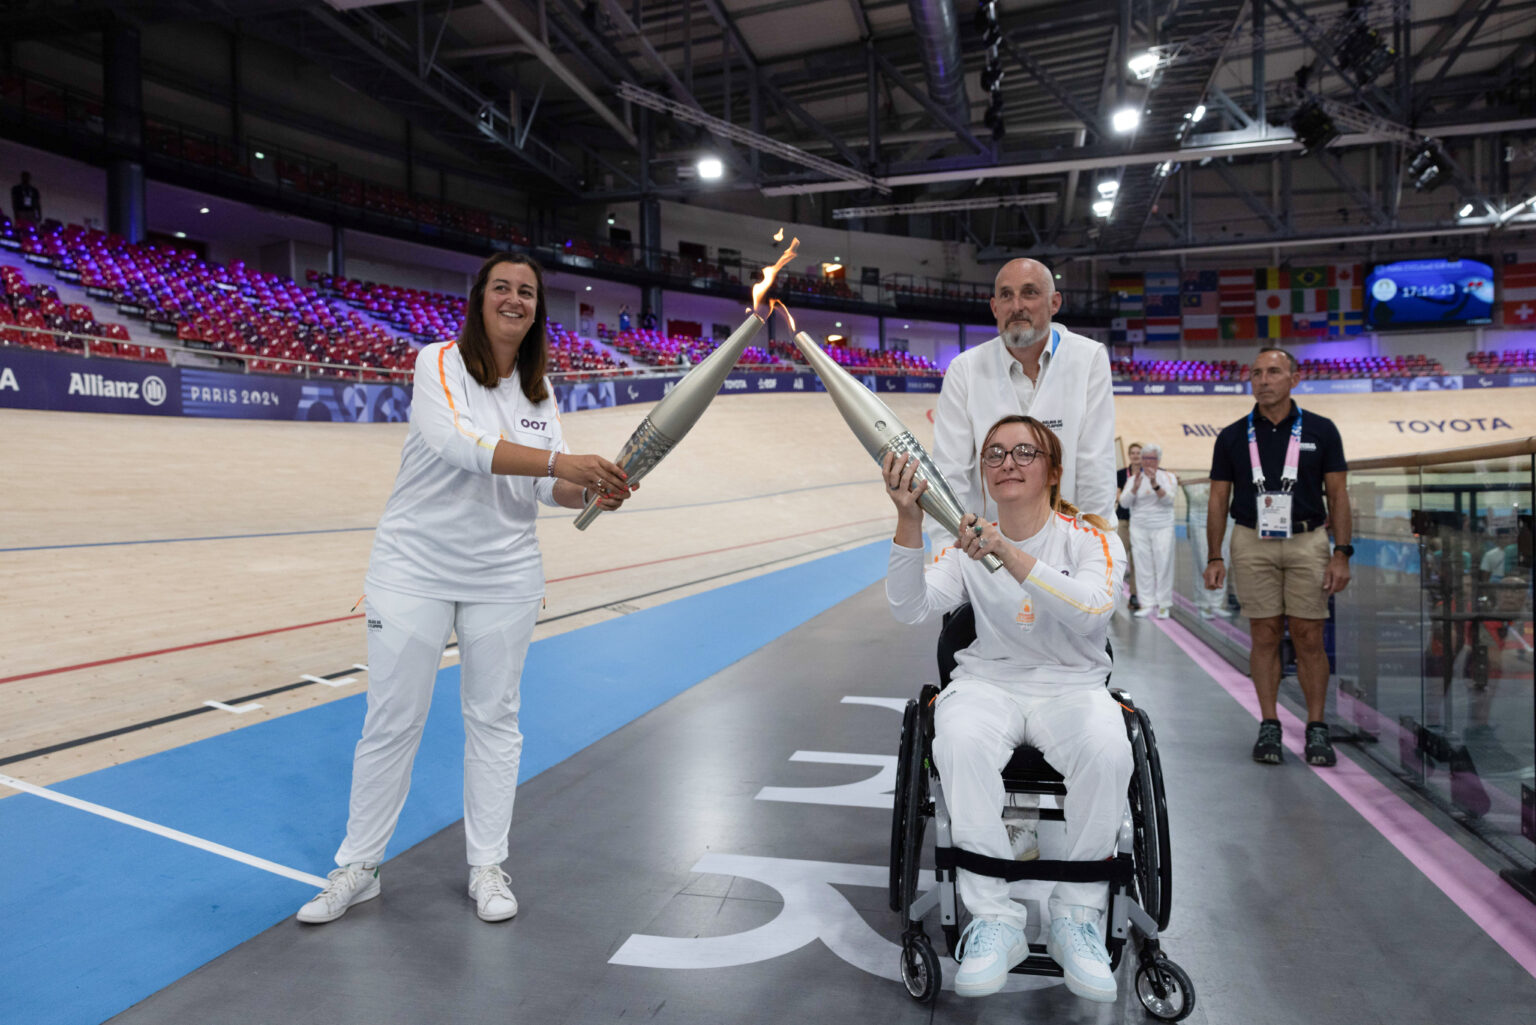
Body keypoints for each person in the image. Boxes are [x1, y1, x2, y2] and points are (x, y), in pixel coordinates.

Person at [297, 253, 636, 925]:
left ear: (538, 309)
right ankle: (357, 866)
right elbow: (460, 444)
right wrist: (560, 461)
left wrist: (590, 489)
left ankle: (486, 865)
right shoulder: (438, 362)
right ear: (480, 299)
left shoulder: (540, 395)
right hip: (412, 568)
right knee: (393, 719)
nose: (514, 299)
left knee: (494, 719)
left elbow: (549, 487)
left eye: (527, 292)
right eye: (502, 288)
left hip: (505, 575)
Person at [885, 415, 1130, 1003]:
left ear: (1052, 470)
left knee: (1107, 747)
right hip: (988, 684)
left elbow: (1093, 611)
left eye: (1024, 451)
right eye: (994, 454)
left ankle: (1076, 919)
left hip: (1073, 688)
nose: (1007, 462)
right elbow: (909, 607)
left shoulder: (1091, 537)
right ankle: (996, 919)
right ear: (984, 474)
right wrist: (909, 519)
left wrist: (1007, 553)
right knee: (958, 740)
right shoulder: (966, 544)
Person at [1203, 346, 1351, 767]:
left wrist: (1341, 552)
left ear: (1293, 378)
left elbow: (1338, 495)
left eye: (1273, 372)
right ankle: (1269, 722)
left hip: (1307, 540)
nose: (1263, 380)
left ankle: (1317, 726)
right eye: (1256, 373)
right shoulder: (1232, 435)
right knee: (1264, 632)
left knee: (1308, 634)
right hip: (1251, 540)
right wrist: (1215, 555)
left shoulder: (1321, 430)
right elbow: (1217, 500)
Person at [933, 257, 1117, 529]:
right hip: (988, 551)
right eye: (1007, 295)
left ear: (1054, 303)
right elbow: (950, 474)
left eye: (1029, 293)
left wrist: (1095, 547)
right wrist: (950, 554)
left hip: (1068, 544)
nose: (1017, 306)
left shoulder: (1088, 358)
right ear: (995, 307)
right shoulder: (964, 369)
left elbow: (1096, 466)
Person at [1118, 442, 1177, 618]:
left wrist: (1155, 484)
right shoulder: (1132, 479)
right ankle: (1147, 603)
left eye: (1151, 458)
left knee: (1163, 563)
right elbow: (1124, 503)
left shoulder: (1168, 477)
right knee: (1143, 565)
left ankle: (1164, 604)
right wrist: (1135, 488)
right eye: (1145, 458)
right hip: (1139, 527)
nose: (1148, 462)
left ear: (1158, 460)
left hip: (1162, 527)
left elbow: (1169, 500)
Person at [1115, 443, 1143, 611]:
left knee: (1137, 561)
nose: (1135, 455)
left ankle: (1134, 595)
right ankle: (1112, 592)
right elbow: (1118, 495)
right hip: (1124, 520)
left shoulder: (1148, 473)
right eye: (1132, 453)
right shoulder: (1120, 474)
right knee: (1118, 557)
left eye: (1138, 453)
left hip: (1140, 522)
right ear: (1129, 455)